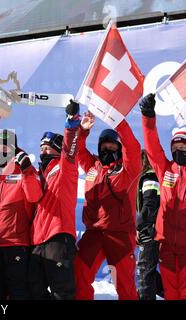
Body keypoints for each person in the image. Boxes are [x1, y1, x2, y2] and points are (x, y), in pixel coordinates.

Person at [74, 111, 141, 300]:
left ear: (119, 148)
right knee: (78, 277)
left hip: (119, 236)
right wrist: (83, 130)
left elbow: (133, 147)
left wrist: (118, 121)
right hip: (93, 234)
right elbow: (78, 150)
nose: (107, 148)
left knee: (125, 288)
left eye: (111, 145)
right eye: (103, 145)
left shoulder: (129, 170)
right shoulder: (92, 166)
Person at [0, 129, 42, 299]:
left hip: (16, 244)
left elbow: (35, 196)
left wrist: (27, 171)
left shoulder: (23, 169)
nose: (1, 150)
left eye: (5, 146)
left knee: (18, 290)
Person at [28, 100, 81, 300]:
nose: (43, 152)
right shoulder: (37, 174)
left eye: (48, 148)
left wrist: (72, 123)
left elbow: (70, 148)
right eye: (41, 148)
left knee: (63, 294)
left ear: (58, 150)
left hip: (58, 238)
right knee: (34, 293)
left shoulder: (64, 167)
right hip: (37, 242)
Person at [140, 93, 186, 300]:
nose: (179, 151)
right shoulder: (165, 169)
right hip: (165, 246)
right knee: (170, 293)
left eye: (183, 148)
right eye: (175, 148)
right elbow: (151, 146)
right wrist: (148, 116)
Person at [136, 149, 163, 300]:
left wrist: (142, 227)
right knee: (149, 271)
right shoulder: (152, 176)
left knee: (144, 271)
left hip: (151, 229)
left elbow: (150, 204)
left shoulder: (150, 177)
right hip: (155, 228)